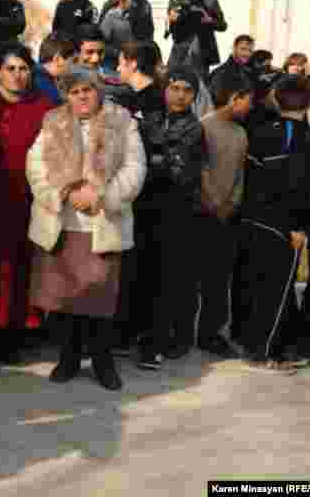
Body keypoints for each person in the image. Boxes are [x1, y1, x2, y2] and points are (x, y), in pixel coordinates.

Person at [26, 66, 146, 390]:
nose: (82, 96)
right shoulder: (53, 121)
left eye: (88, 89)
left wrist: (101, 196)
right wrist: (62, 193)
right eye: (75, 91)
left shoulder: (122, 121)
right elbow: (35, 163)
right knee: (66, 299)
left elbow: (135, 168)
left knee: (100, 300)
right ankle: (68, 358)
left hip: (102, 223)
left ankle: (103, 362)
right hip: (63, 222)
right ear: (67, 94)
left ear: (99, 90)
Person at [0, 44, 56, 363]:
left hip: (26, 200)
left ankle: (11, 339)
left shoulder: (44, 107)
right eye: (11, 69)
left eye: (24, 69)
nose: (19, 75)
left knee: (19, 271)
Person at [238, 75, 310, 371]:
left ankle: (257, 343)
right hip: (281, 225)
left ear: (276, 97)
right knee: (276, 291)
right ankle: (263, 352)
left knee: (259, 286)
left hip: (254, 219)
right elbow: (297, 186)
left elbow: (251, 177)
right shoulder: (301, 137)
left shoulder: (262, 131)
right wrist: (298, 227)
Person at [135, 68, 211, 369]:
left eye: (187, 90)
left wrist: (155, 159)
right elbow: (140, 161)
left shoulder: (194, 128)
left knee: (173, 279)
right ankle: (145, 336)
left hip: (178, 213)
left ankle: (165, 340)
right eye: (175, 88)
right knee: (146, 275)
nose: (180, 95)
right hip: (146, 210)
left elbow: (178, 171)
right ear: (165, 89)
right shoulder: (150, 120)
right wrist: (157, 160)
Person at [184, 69, 253, 361]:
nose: (250, 106)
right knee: (191, 277)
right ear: (234, 98)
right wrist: (213, 202)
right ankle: (182, 333)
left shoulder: (241, 133)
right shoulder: (203, 128)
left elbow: (240, 175)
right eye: (247, 100)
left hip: (228, 215)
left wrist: (231, 203)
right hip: (201, 214)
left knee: (218, 279)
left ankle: (210, 334)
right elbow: (200, 170)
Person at [166, 0, 227, 80]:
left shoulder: (209, 0)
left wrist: (210, 20)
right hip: (180, 52)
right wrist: (170, 19)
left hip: (201, 52)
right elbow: (169, 27)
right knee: (172, 83)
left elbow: (223, 26)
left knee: (199, 86)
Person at [116, 40, 164, 120]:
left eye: (120, 63)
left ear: (133, 64)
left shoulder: (151, 101)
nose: (118, 69)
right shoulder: (158, 93)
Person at [34, 33, 76, 105]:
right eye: (73, 61)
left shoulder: (35, 73)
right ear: (57, 59)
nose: (75, 66)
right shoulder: (45, 88)